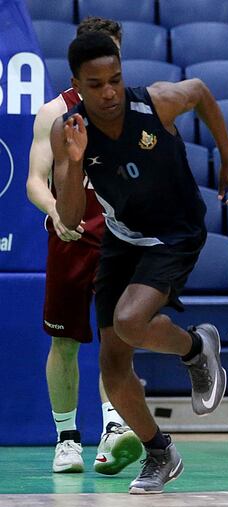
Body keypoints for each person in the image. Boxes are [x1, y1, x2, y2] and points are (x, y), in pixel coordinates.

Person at [52, 32, 228, 493]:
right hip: (122, 238)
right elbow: (73, 218)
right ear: (76, 84)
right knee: (113, 368)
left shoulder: (155, 104)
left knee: (131, 320)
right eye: (95, 85)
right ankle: (160, 453)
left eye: (115, 79)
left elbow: (200, 91)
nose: (109, 92)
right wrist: (76, 164)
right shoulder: (68, 131)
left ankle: (197, 349)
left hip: (176, 232)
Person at [27, 17, 145, 475]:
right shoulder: (54, 113)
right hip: (71, 238)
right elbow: (35, 182)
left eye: (112, 57)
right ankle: (67, 438)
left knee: (118, 337)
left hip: (119, 240)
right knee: (66, 343)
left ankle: (114, 430)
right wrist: (58, 214)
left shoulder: (133, 112)